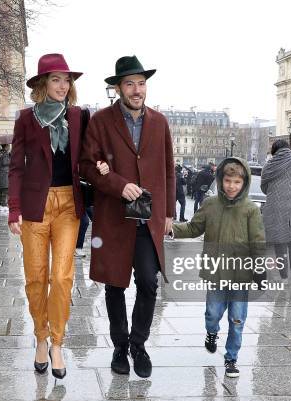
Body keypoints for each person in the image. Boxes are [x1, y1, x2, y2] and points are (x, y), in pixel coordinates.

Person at [7, 53, 109, 380]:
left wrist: (102, 166)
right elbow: (16, 168)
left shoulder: (80, 116)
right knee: (36, 278)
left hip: (68, 204)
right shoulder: (26, 118)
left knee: (62, 277)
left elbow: (91, 156)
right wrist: (14, 209)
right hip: (35, 207)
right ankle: (40, 336)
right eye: (56, 79)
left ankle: (57, 343)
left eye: (67, 80)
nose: (63, 85)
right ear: (42, 84)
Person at [80, 55, 175, 378]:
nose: (137, 90)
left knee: (148, 283)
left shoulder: (160, 122)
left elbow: (168, 171)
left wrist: (170, 213)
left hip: (149, 219)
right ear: (118, 88)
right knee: (114, 285)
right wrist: (119, 185)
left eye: (141, 83)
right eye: (130, 84)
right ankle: (120, 346)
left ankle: (138, 343)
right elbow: (87, 166)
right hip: (114, 218)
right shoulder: (101, 121)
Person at [172, 157, 265, 378]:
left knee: (237, 319)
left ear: (244, 184)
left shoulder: (250, 209)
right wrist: (170, 229)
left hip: (241, 274)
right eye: (228, 181)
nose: (231, 186)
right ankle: (211, 332)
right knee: (213, 313)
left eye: (237, 182)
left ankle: (231, 359)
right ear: (221, 180)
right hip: (216, 272)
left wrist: (259, 267)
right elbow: (194, 228)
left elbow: (258, 241)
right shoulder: (210, 204)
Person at [260, 140, 291, 286]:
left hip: (274, 208)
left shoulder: (268, 165)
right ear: (288, 149)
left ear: (274, 151)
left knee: (279, 242)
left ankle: (284, 277)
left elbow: (264, 187)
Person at [0, 144, 11, 215]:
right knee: (5, 191)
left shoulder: (0, 153)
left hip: (1, 174)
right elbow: (5, 162)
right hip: (5, 174)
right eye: (8, 146)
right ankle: (4, 206)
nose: (9, 147)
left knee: (1, 191)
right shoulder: (5, 154)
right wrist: (10, 157)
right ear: (5, 146)